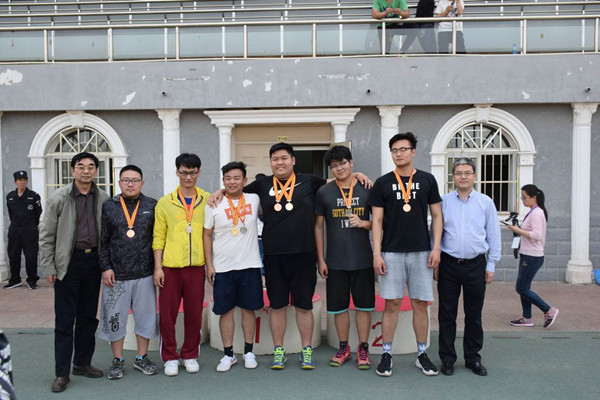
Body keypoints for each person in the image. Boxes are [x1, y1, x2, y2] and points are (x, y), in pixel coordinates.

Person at [208, 142, 370, 370]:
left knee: (304, 306)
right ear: (270, 162)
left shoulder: (310, 181)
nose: (279, 162)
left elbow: (336, 180)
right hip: (274, 256)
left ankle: (306, 350)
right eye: (275, 159)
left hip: (304, 254)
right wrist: (220, 191)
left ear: (293, 160)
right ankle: (279, 351)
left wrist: (357, 174)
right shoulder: (262, 185)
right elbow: (236, 188)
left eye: (284, 158)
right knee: (277, 306)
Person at [368, 132, 442, 377]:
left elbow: (437, 216)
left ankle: (422, 354)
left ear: (413, 151)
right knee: (392, 304)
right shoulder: (382, 183)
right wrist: (377, 254)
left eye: (403, 149)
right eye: (394, 150)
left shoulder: (428, 180)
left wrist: (436, 248)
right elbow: (377, 221)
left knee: (420, 303)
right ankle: (386, 354)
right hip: (391, 252)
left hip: (422, 252)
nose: (398, 154)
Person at [39, 152, 110, 393]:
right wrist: (49, 267)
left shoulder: (103, 198)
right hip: (68, 264)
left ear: (96, 171)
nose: (86, 170)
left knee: (88, 317)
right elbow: (46, 235)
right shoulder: (59, 198)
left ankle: (82, 363)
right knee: (65, 320)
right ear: (72, 170)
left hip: (93, 263)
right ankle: (62, 373)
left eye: (91, 166)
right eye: (81, 166)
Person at [437, 158, 501, 377]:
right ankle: (447, 358)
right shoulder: (443, 202)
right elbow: (435, 233)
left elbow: (493, 234)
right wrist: (436, 261)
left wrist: (491, 264)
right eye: (458, 173)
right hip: (448, 264)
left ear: (474, 176)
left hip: (476, 264)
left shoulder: (485, 202)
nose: (463, 177)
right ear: (453, 177)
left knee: (473, 314)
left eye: (467, 173)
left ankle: (473, 358)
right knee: (446, 313)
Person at [315, 146, 374, 370]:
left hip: (362, 259)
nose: (339, 168)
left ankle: (363, 348)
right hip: (335, 261)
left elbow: (380, 222)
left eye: (343, 163)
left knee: (364, 307)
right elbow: (318, 227)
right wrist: (321, 259)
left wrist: (364, 223)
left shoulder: (367, 188)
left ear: (351, 163)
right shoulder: (324, 192)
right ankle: (344, 348)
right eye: (334, 165)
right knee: (339, 308)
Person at [98, 165, 159, 380]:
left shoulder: (152, 205)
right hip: (116, 276)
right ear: (120, 183)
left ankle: (142, 357)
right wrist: (106, 267)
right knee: (115, 319)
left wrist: (157, 267)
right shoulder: (109, 207)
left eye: (135, 180)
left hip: (145, 274)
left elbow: (158, 239)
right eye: (126, 180)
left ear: (142, 183)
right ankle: (118, 359)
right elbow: (103, 240)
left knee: (146, 318)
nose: (130, 184)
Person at [153, 153, 210, 377]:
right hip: (170, 267)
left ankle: (190, 354)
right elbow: (158, 237)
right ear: (177, 172)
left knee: (194, 314)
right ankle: (169, 356)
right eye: (184, 172)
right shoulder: (165, 203)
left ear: (199, 172)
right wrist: (158, 267)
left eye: (193, 172)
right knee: (167, 315)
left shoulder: (207, 199)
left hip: (196, 267)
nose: (188, 177)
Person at [203, 162, 263, 372]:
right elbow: (207, 235)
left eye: (237, 178)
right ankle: (228, 355)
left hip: (250, 265)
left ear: (245, 180)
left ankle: (248, 352)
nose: (232, 182)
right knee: (225, 311)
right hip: (223, 267)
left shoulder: (254, 198)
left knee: (248, 309)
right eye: (227, 178)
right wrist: (209, 265)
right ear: (223, 180)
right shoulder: (213, 204)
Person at [508, 185, 559, 329]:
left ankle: (549, 310)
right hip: (527, 254)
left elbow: (537, 236)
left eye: (524, 198)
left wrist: (518, 230)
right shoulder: (533, 212)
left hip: (532, 256)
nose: (523, 200)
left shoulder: (537, 213)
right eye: (522, 197)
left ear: (534, 197)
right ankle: (527, 318)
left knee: (521, 288)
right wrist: (518, 229)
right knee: (524, 287)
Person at [4, 170, 42, 290]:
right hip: (15, 230)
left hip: (29, 230)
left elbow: (38, 213)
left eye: (25, 180)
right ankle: (15, 280)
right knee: (13, 255)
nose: (23, 182)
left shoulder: (34, 196)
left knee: (31, 255)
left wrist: (31, 225)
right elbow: (11, 214)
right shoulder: (10, 197)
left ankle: (32, 280)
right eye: (20, 180)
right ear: (15, 182)